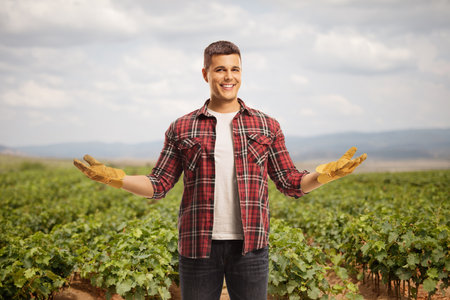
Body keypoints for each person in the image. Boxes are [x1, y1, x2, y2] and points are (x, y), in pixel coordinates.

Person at [74, 40, 366, 300]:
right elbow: (159, 184)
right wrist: (118, 179)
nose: (229, 77)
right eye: (220, 70)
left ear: (241, 73)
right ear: (206, 74)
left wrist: (324, 176)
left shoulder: (267, 125)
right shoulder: (182, 127)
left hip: (250, 247)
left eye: (235, 69)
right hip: (198, 247)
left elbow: (290, 182)